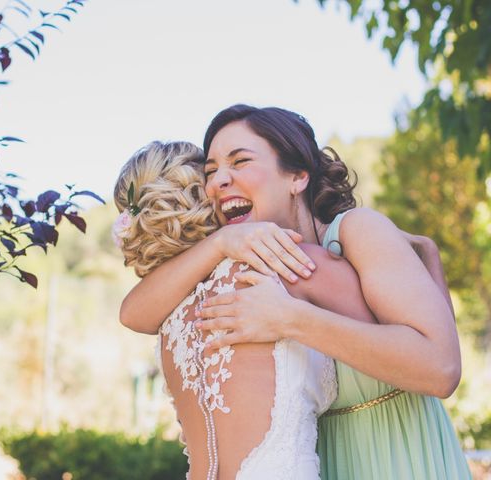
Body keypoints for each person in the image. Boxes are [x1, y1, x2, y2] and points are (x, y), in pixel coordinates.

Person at [119, 105, 471, 479]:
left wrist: (290, 319)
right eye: (211, 171)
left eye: (239, 162)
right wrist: (222, 242)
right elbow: (133, 314)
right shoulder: (245, 264)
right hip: (330, 461)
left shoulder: (356, 232)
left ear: (298, 176)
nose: (219, 180)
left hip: (401, 457)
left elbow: (441, 368)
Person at [114, 141, 379, 479]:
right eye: (213, 173)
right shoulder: (283, 262)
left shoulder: (167, 314)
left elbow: (129, 314)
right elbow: (402, 340)